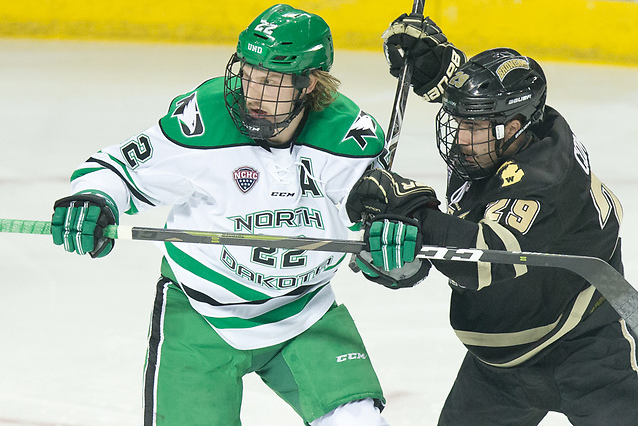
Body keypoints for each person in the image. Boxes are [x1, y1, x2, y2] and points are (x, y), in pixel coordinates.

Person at [49, 4, 390, 425]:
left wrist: (390, 251)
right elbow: (113, 169)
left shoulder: (348, 139)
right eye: (248, 74)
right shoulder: (205, 120)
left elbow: (380, 230)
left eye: (270, 81)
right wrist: (93, 200)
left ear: (310, 84)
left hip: (305, 313)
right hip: (201, 312)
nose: (252, 94)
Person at [345, 13, 638, 426]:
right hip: (499, 366)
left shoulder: (543, 177)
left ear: (514, 128)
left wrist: (413, 212)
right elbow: (488, 102)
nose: (461, 137)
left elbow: (485, 260)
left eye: (474, 126)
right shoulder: (511, 132)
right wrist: (440, 67)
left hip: (589, 345)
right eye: (460, 121)